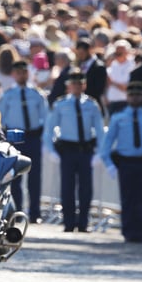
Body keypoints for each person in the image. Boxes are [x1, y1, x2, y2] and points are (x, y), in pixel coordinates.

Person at [42, 69, 105, 232]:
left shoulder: (91, 104)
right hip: (68, 150)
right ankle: (69, 223)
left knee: (86, 188)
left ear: (84, 85)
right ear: (68, 86)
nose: (76, 87)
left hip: (85, 150)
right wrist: (51, 151)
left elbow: (99, 129)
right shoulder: (61, 104)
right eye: (73, 84)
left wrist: (100, 153)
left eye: (79, 84)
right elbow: (49, 129)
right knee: (67, 187)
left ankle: (83, 223)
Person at [0, 60, 49, 223]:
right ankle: (17, 212)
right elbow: (1, 118)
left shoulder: (36, 94)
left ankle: (35, 213)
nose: (21, 75)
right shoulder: (7, 95)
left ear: (28, 73)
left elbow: (45, 116)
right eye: (18, 72)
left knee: (35, 177)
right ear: (14, 74)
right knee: (15, 177)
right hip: (15, 139)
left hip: (33, 136)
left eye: (24, 72)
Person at [97, 79, 142, 243]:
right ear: (127, 97)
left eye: (139, 95)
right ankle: (129, 231)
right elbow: (106, 145)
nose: (136, 98)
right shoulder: (119, 117)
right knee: (128, 198)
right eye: (132, 95)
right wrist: (109, 165)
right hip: (127, 162)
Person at [75, 38, 107, 113]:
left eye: (82, 53)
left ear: (89, 50)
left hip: (93, 104)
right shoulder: (78, 64)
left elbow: (99, 89)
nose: (80, 56)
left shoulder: (99, 66)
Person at [105, 39, 135, 115]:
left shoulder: (132, 66)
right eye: (116, 52)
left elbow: (128, 88)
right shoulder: (113, 64)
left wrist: (112, 83)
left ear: (127, 52)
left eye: (120, 52)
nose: (117, 54)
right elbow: (107, 84)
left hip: (126, 103)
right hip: (112, 104)